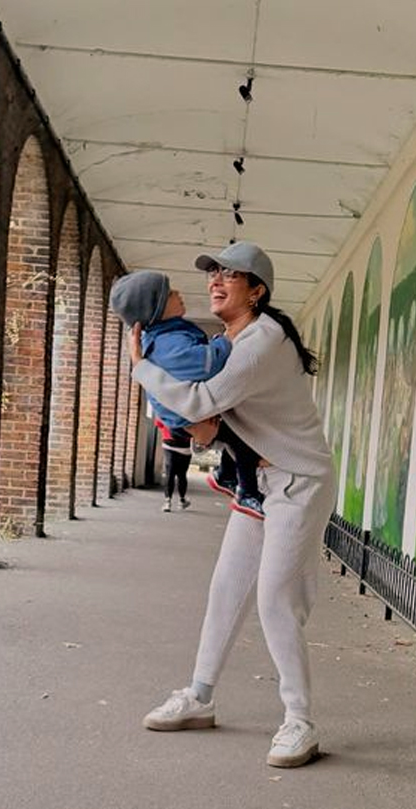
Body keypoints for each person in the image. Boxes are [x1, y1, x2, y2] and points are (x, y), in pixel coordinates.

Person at [130, 241, 337, 768]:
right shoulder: (229, 339)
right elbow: (218, 423)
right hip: (258, 483)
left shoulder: (262, 341)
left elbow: (201, 402)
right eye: (213, 273)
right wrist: (208, 434)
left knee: (274, 599)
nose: (216, 280)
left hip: (297, 482)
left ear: (257, 290)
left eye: (231, 274)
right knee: (226, 589)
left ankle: (299, 721)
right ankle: (199, 697)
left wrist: (142, 367)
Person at [109, 270, 266, 518]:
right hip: (185, 417)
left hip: (186, 414)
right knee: (243, 440)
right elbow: (206, 364)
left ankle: (227, 474)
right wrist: (226, 340)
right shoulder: (168, 344)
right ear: (157, 308)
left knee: (236, 435)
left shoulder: (168, 335)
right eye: (170, 293)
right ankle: (246, 492)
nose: (178, 293)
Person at [154, 417, 192, 512]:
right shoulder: (186, 410)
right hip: (185, 447)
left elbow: (159, 424)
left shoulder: (165, 409)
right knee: (182, 475)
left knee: (169, 473)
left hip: (169, 444)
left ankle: (167, 502)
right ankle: (182, 500)